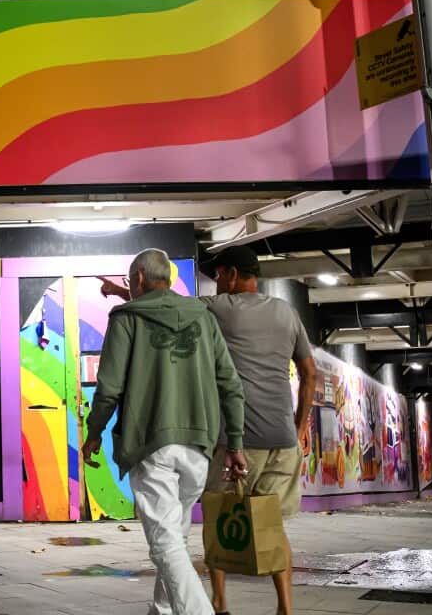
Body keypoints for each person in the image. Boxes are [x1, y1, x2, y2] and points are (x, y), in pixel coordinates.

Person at [100, 246, 320, 615]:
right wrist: (298, 429)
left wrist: (122, 293)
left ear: (232, 275)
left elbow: (165, 304)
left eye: (218, 275)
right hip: (282, 439)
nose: (216, 283)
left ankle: (217, 604)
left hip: (236, 437)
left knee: (217, 521)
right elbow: (311, 372)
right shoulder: (287, 312)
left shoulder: (218, 309)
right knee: (272, 525)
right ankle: (285, 607)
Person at [84, 249, 246, 615]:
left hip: (151, 443)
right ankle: (163, 610)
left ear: (139, 278)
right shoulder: (204, 317)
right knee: (174, 536)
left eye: (130, 282)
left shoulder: (127, 318)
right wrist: (234, 443)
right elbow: (230, 384)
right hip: (199, 444)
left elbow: (109, 387)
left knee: (165, 543)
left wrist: (94, 433)